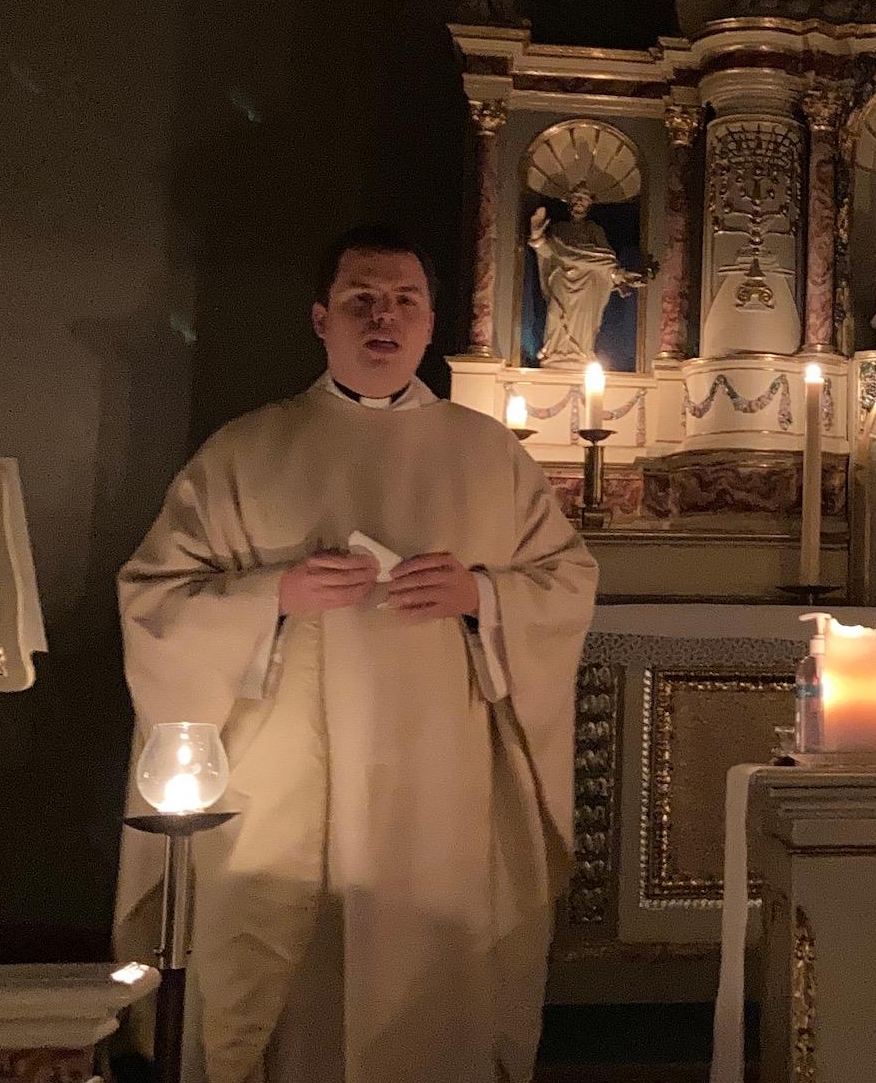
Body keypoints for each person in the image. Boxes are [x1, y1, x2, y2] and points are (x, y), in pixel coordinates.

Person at [113, 224, 598, 1083]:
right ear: (320, 319)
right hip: (281, 779)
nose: (385, 318)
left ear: (430, 322)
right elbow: (153, 604)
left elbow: (564, 580)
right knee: (284, 978)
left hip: (440, 786)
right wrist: (273, 597)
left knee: (426, 981)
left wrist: (482, 596)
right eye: (361, 300)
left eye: (406, 301)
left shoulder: (490, 454)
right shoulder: (244, 452)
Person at [529, 185, 649, 367]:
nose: (579, 202)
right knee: (555, 313)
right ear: (570, 201)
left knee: (583, 321)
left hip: (587, 285)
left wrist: (619, 277)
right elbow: (548, 253)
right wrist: (537, 236)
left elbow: (606, 261)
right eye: (577, 197)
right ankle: (554, 351)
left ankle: (580, 353)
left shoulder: (595, 231)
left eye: (584, 199)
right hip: (562, 279)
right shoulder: (559, 229)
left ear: (589, 204)